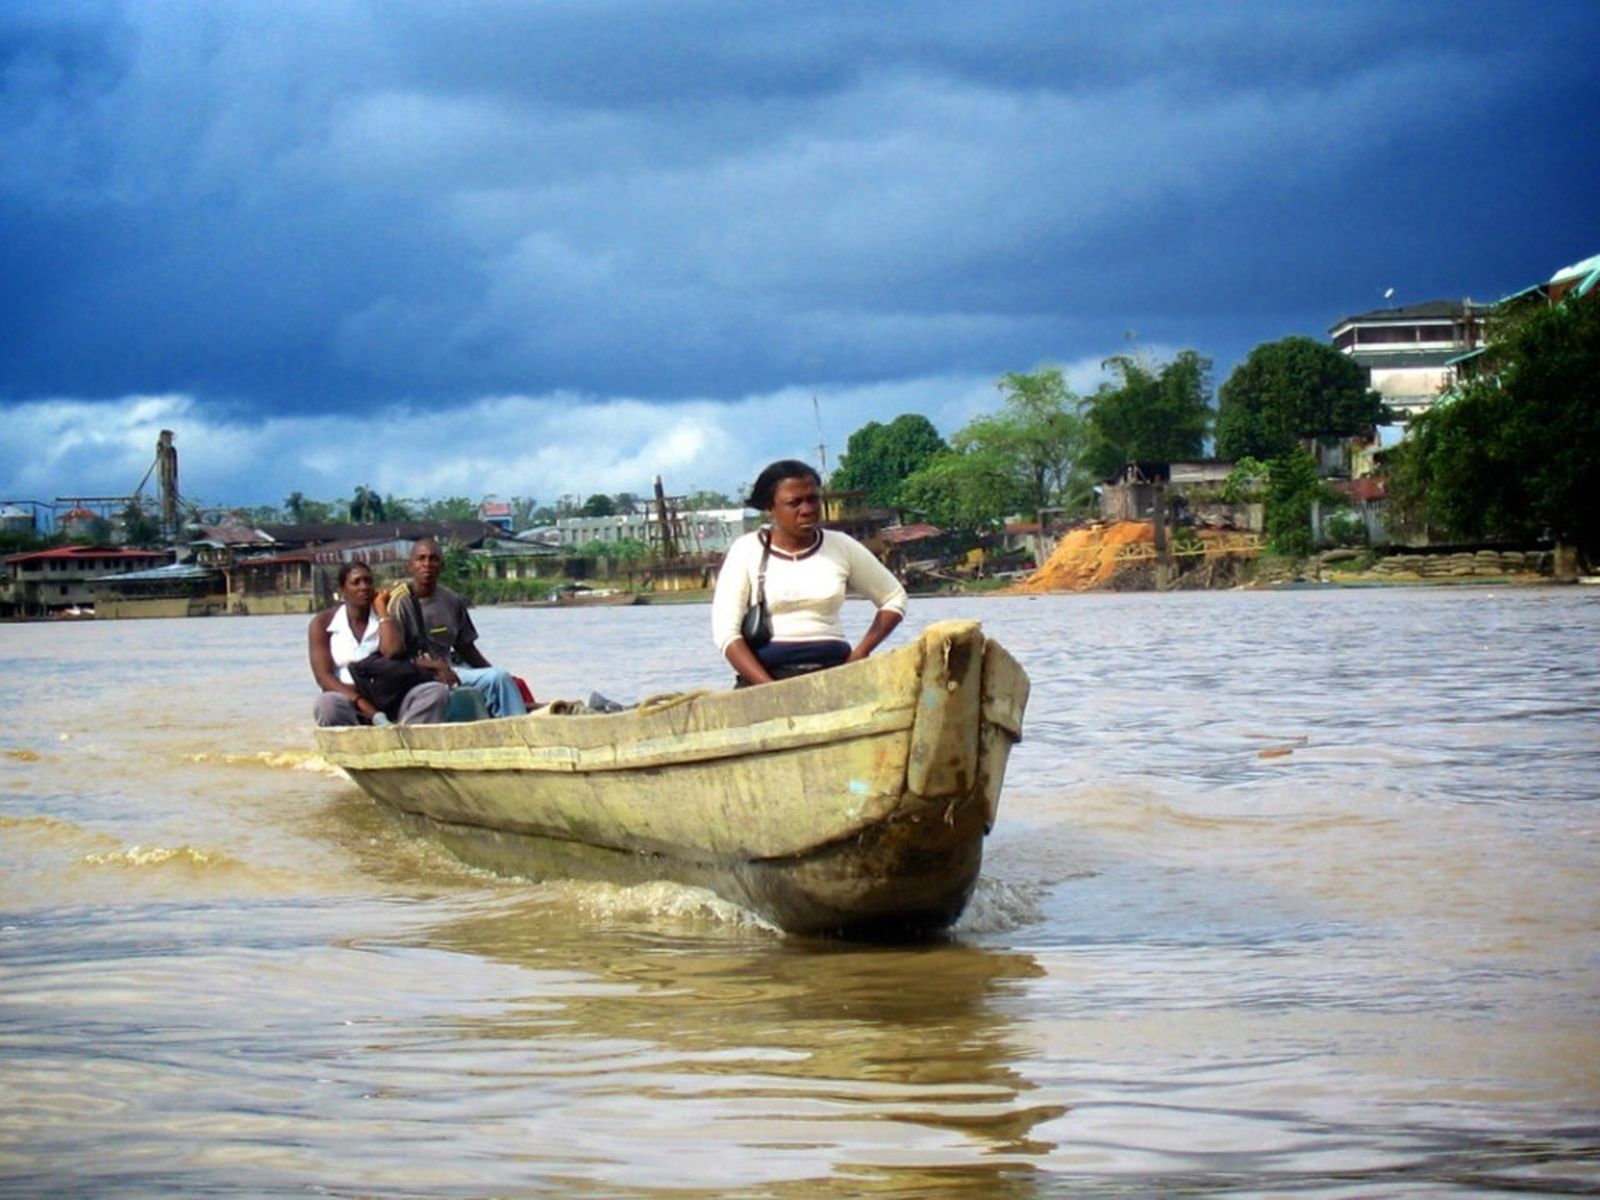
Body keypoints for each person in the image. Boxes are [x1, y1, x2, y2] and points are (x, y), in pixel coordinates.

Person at [712, 459, 907, 686]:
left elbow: (894, 598)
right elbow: (726, 634)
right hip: (767, 677)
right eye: (794, 503)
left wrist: (860, 654)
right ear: (770, 508)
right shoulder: (747, 550)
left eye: (813, 500)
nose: (807, 510)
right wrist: (769, 689)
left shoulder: (841, 546)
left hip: (835, 675)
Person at [378, 537, 528, 718]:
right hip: (417, 675)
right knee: (494, 679)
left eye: (433, 559)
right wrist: (434, 666)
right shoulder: (400, 602)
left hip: (452, 670)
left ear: (442, 566)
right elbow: (394, 655)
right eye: (421, 558)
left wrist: (493, 672)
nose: (427, 564)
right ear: (410, 565)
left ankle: (518, 730)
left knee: (500, 678)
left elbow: (466, 648)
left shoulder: (451, 600)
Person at [309, 560, 450, 726]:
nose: (364, 587)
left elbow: (392, 652)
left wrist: (382, 611)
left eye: (368, 581)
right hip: (350, 702)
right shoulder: (322, 623)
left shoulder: (387, 619)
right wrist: (367, 708)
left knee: (435, 693)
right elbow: (323, 677)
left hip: (394, 698)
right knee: (326, 704)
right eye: (356, 582)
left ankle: (406, 740)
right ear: (343, 590)